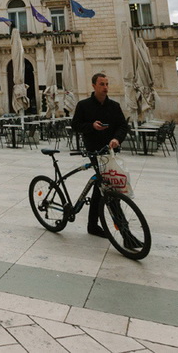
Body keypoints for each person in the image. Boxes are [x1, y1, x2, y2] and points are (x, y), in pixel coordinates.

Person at [71, 73, 128, 238]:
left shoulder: (114, 106)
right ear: (94, 86)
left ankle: (93, 225)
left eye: (107, 84)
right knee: (105, 186)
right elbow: (75, 125)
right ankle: (123, 230)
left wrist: (117, 138)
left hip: (111, 151)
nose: (105, 87)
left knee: (101, 187)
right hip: (95, 152)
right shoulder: (84, 105)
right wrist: (91, 126)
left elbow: (123, 126)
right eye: (102, 84)